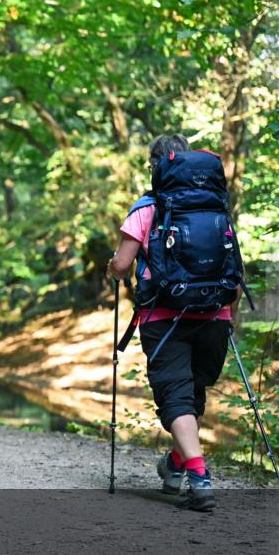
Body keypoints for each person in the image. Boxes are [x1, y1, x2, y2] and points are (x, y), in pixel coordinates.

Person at [107, 134, 237, 512]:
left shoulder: (148, 207)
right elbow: (232, 262)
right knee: (194, 393)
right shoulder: (216, 206)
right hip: (215, 314)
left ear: (155, 165)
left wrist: (111, 269)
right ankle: (176, 465)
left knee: (176, 395)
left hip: (164, 316)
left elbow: (121, 264)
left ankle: (198, 474)